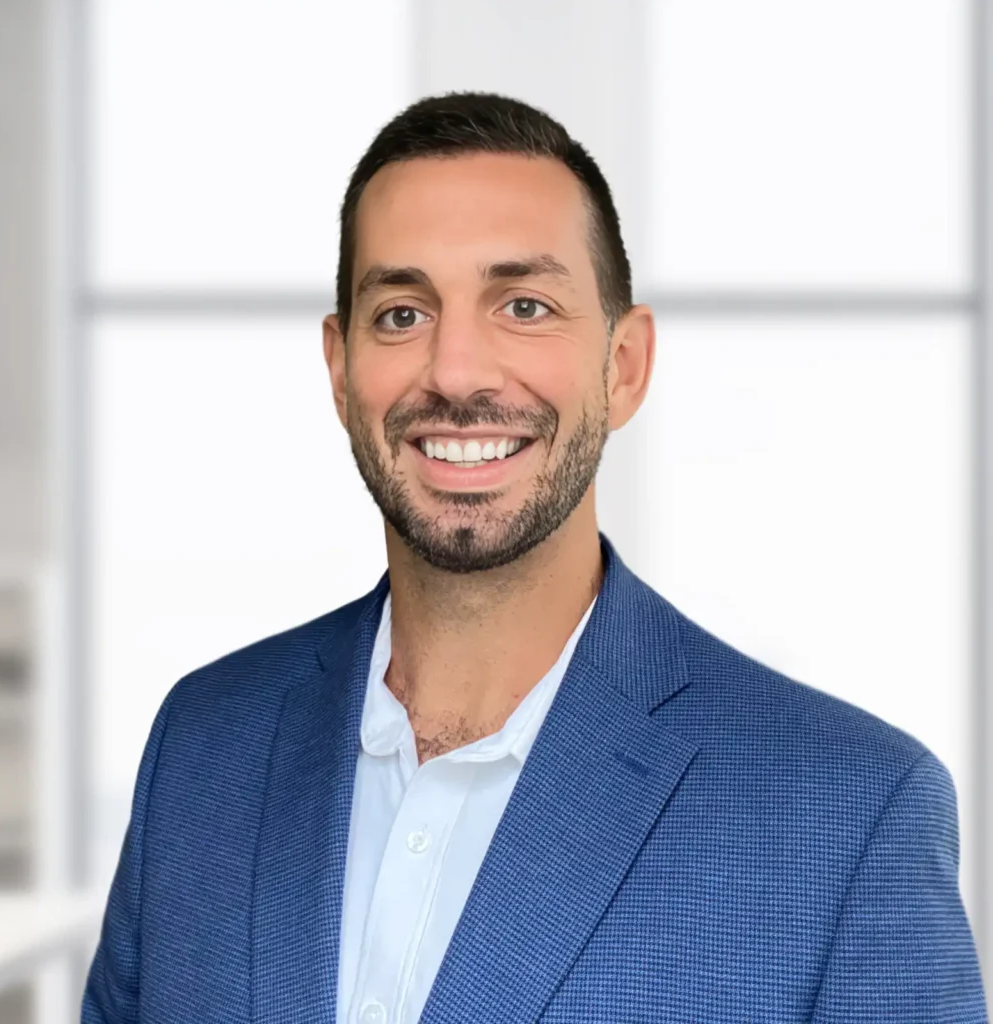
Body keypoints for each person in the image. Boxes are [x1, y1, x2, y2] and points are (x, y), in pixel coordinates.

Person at [81, 92, 987, 1024]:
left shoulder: (852, 816)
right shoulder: (202, 746)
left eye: (524, 304)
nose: (457, 370)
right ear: (340, 368)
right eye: (401, 313)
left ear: (624, 366)